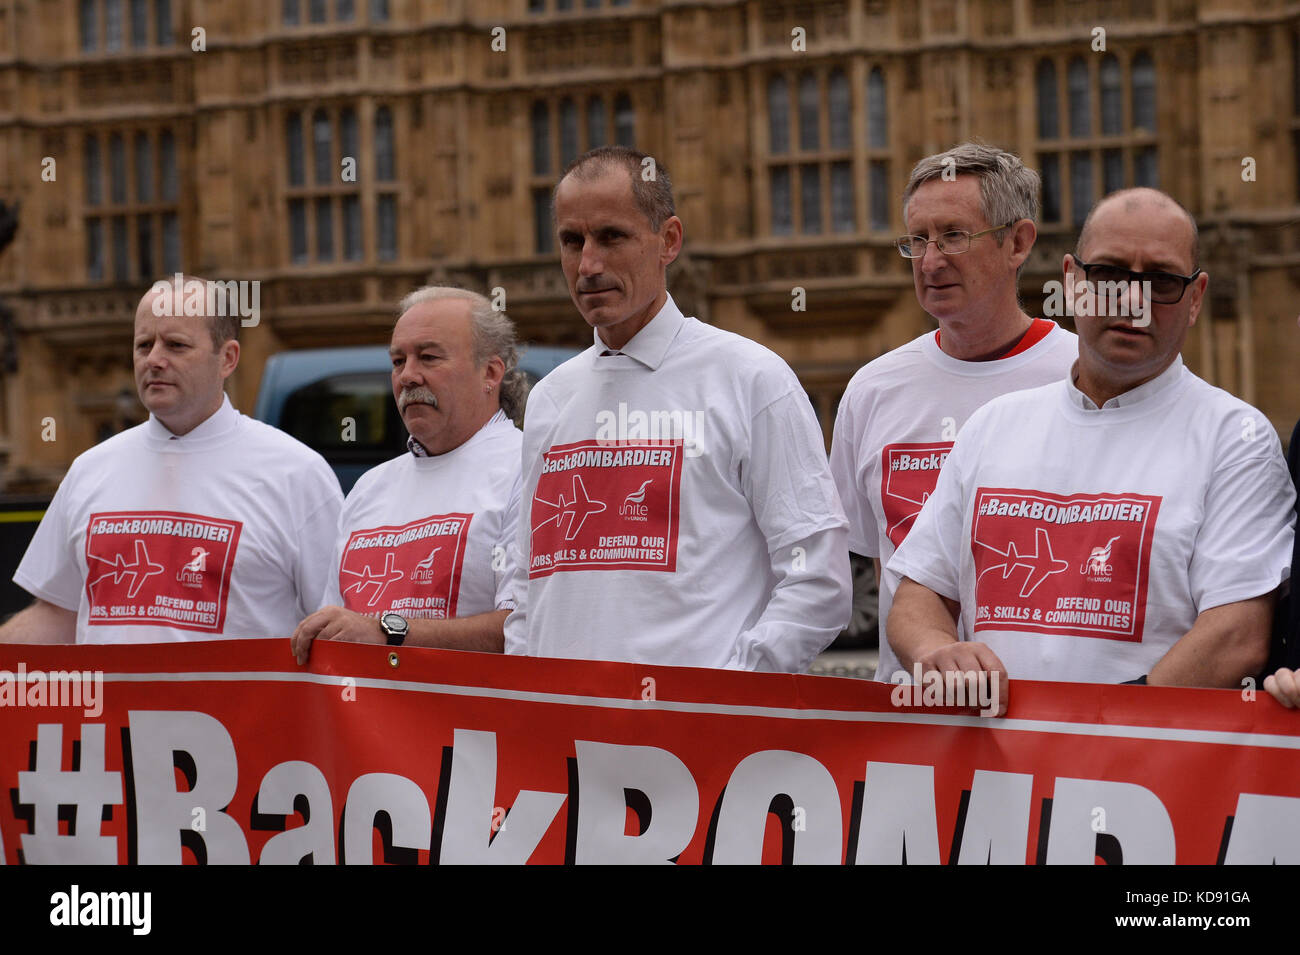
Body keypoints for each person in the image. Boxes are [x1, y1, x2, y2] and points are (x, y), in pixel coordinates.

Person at [887, 188, 1295, 690]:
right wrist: (936, 650)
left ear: (1195, 300)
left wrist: (1094, 735)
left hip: (1144, 765)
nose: (1131, 299)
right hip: (989, 763)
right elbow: (918, 595)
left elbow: (1236, 635)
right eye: (1108, 274)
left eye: (1162, 280)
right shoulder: (994, 425)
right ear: (1072, 280)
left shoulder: (1236, 438)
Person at [503, 145, 851, 670]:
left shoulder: (750, 378)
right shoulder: (551, 396)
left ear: (668, 241)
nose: (588, 264)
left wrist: (727, 692)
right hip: (564, 735)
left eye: (611, 237)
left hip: (699, 738)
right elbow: (527, 582)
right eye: (572, 241)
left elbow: (816, 576)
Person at [829, 142, 1077, 683]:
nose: (932, 260)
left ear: (1018, 243)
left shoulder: (1083, 375)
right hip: (910, 728)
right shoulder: (872, 389)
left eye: (953, 236)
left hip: (1046, 725)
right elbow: (882, 565)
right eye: (917, 240)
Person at [1, 275, 342, 643]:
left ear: (227, 358)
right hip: (109, 702)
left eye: (176, 345)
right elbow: (57, 614)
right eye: (144, 345)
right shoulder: (89, 469)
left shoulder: (297, 473)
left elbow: (337, 626)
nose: (154, 360)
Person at [291, 287, 523, 663]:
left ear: (491, 372)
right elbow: (337, 626)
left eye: (429, 357)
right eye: (398, 361)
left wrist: (389, 632)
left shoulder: (528, 469)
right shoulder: (370, 487)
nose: (408, 376)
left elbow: (526, 629)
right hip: (365, 718)